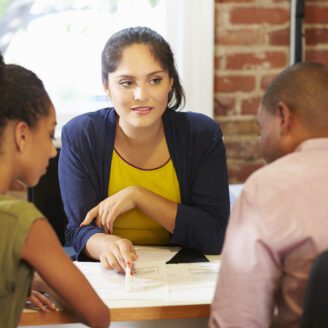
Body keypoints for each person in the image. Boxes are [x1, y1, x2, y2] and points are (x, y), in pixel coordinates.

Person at [58, 26, 230, 273]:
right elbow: (79, 229)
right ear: (106, 85)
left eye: (155, 80)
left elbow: (215, 235)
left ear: (170, 81)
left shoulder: (202, 135)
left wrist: (139, 197)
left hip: (187, 274)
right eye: (127, 83)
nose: (141, 95)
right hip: (109, 274)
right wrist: (106, 244)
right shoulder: (81, 135)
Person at [209, 62, 328, 327]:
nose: (261, 140)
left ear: (284, 117)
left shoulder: (267, 188)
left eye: (261, 128)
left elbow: (237, 320)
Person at [0, 53, 110, 328]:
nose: (52, 151)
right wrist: (50, 279)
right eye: (49, 135)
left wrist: (23, 279)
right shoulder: (23, 223)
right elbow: (98, 316)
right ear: (22, 134)